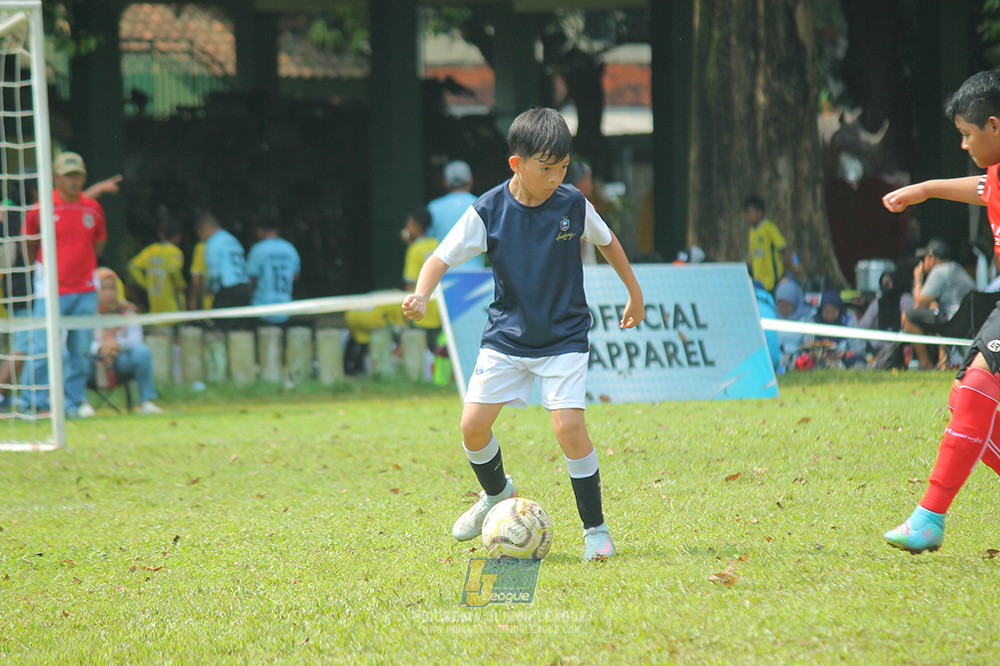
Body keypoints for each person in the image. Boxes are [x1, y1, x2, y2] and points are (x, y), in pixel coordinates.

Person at [401, 107, 645, 560]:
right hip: (507, 337)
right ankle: (496, 494)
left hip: (564, 337)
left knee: (569, 428)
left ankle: (596, 530)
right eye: (546, 168)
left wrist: (635, 294)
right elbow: (439, 258)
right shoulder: (489, 210)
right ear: (517, 164)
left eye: (563, 167)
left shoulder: (573, 204)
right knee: (473, 428)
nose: (556, 177)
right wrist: (421, 295)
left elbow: (609, 241)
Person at [880, 69, 1000, 554]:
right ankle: (928, 519)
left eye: (967, 135)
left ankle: (928, 517)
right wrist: (924, 188)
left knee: (974, 390)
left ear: (995, 126)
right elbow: (979, 187)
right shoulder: (994, 177)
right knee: (968, 403)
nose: (964, 145)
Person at [21, 151, 106, 418]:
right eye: (67, 175)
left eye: (76, 175)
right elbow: (28, 243)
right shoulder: (40, 208)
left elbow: (99, 243)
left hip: (85, 291)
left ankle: (73, 403)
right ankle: (31, 403)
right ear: (56, 177)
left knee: (80, 352)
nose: (72, 180)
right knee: (42, 349)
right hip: (50, 291)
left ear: (84, 177)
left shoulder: (92, 207)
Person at [343, 207, 439, 375]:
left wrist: (407, 309)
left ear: (416, 226)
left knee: (411, 342)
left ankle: (401, 374)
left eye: (409, 224)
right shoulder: (437, 244)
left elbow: (410, 284)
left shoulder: (414, 250)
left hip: (420, 307)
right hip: (437, 307)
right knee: (433, 347)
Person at [90, 268, 163, 415]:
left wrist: (117, 345)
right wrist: (100, 348)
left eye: (112, 288)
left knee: (142, 352)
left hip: (121, 361)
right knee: (74, 357)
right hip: (93, 364)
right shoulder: (84, 312)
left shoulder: (128, 311)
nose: (109, 293)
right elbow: (77, 341)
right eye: (103, 288)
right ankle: (77, 404)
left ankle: (145, 402)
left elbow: (136, 339)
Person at [901, 238, 975, 369]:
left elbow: (919, 303)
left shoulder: (939, 271)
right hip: (969, 323)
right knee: (938, 317)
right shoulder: (956, 268)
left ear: (932, 259)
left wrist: (918, 280)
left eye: (925, 258)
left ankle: (925, 363)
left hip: (952, 323)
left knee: (908, 316)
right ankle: (944, 365)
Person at [195, 212, 251, 330]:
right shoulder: (232, 239)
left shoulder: (213, 243)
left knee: (221, 329)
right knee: (239, 331)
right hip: (244, 288)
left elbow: (214, 274)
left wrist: (209, 290)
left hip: (228, 289)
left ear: (204, 228)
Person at [127, 214, 186, 317]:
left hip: (155, 310)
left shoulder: (151, 251)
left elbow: (132, 266)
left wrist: (145, 284)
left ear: (161, 234)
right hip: (173, 309)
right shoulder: (175, 252)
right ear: (178, 236)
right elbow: (173, 270)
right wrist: (181, 285)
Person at [427, 160, 483, 269]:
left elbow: (426, 241)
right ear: (470, 181)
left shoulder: (433, 207)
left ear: (446, 183)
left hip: (442, 272)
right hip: (476, 273)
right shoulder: (482, 205)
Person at [247, 217, 301, 325]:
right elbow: (295, 276)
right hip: (285, 307)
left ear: (260, 231)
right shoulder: (290, 248)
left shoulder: (258, 249)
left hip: (262, 307)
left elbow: (251, 278)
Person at [797, 289, 867, 369]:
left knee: (858, 364)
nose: (830, 316)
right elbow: (807, 344)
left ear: (839, 310)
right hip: (818, 361)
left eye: (833, 312)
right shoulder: (814, 323)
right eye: (826, 312)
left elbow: (859, 349)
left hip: (844, 361)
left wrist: (842, 354)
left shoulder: (849, 322)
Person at [745, 195, 802, 292]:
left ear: (759, 213)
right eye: (746, 215)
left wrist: (792, 265)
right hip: (758, 279)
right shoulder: (752, 232)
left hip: (772, 279)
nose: (748, 217)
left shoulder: (769, 227)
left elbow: (783, 246)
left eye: (751, 214)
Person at [773, 278, 816, 368]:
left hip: (798, 359)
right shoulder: (773, 316)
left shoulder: (807, 318)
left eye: (787, 305)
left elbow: (808, 345)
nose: (783, 309)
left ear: (796, 303)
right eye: (781, 305)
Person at [566, 159, 598, 266]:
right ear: (581, 182)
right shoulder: (580, 205)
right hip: (585, 271)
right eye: (589, 179)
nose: (591, 185)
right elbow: (579, 240)